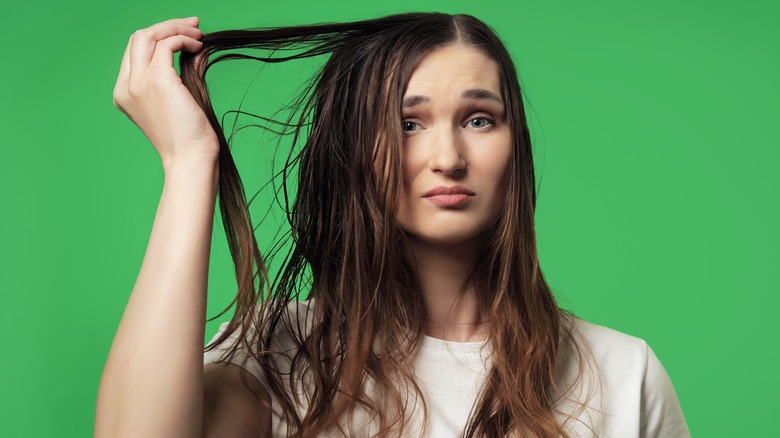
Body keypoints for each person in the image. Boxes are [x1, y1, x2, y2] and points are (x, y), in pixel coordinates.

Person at [95, 12, 690, 438]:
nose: (449, 157)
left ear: (518, 149)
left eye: (480, 120)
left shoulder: (624, 372)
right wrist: (188, 162)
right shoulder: (276, 357)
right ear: (356, 149)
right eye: (408, 124)